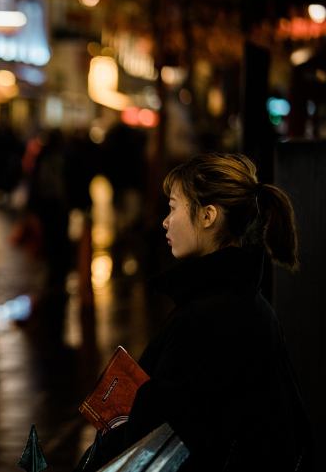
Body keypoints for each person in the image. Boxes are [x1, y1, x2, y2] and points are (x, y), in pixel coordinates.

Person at [76, 152, 315, 471]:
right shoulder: (240, 300)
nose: (164, 220)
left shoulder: (211, 318)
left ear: (208, 216)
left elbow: (158, 436)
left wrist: (119, 431)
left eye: (173, 207)